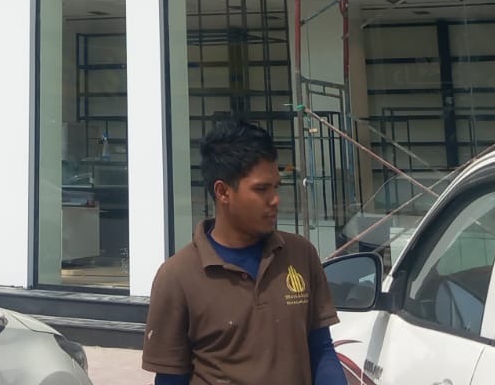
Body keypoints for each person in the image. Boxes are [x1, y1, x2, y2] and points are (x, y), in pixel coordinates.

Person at [142, 119, 347, 385]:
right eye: (261, 189)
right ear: (223, 192)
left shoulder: (300, 255)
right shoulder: (177, 276)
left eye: (276, 187)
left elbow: (321, 349)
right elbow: (171, 378)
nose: (275, 199)